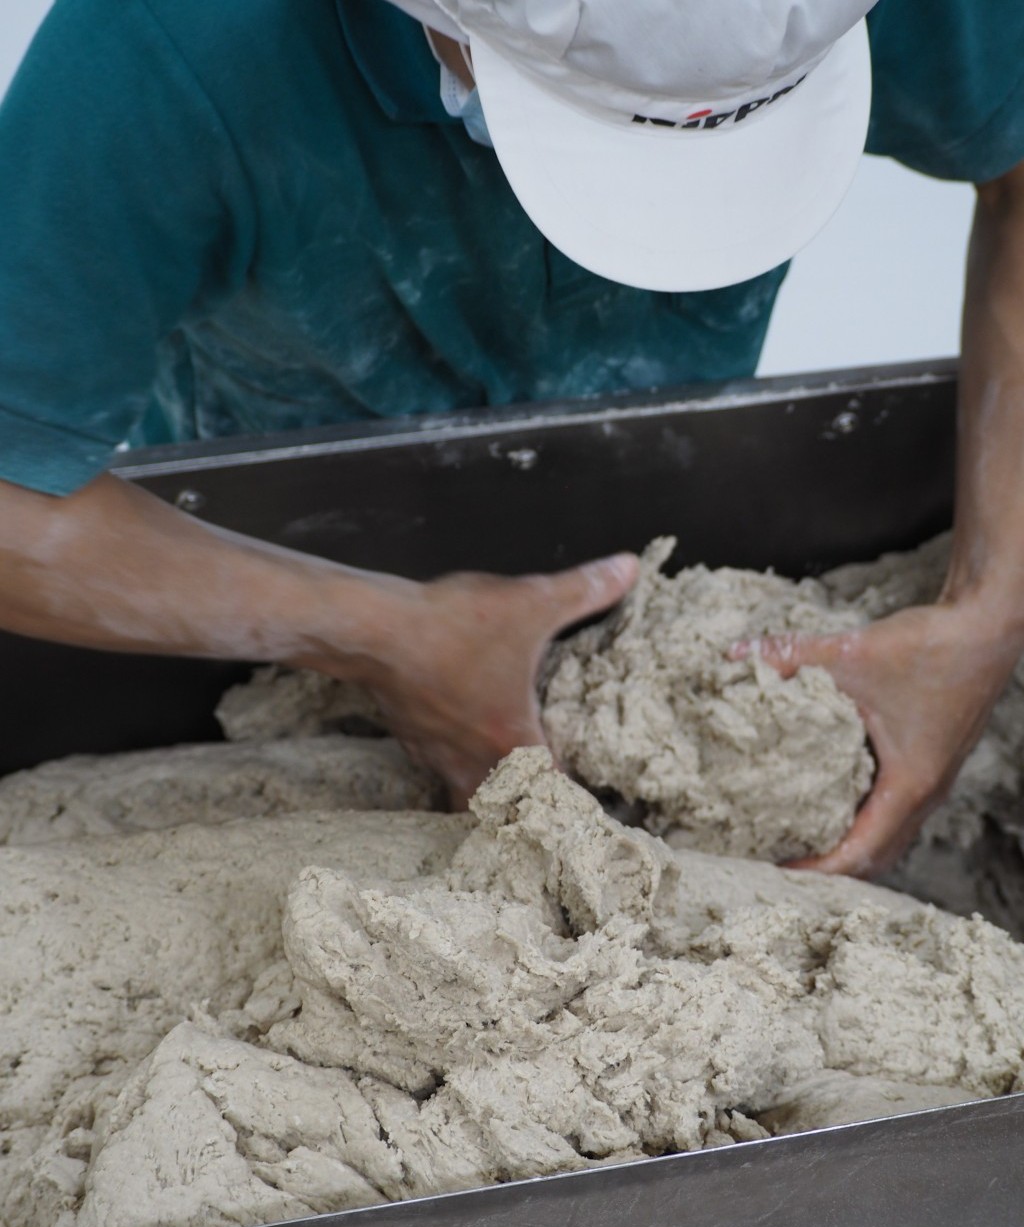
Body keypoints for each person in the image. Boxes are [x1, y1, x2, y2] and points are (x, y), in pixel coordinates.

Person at [0, 0, 1021, 877]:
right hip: (256, 482)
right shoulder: (171, 48)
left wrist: (985, 612)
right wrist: (374, 632)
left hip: (654, 506)